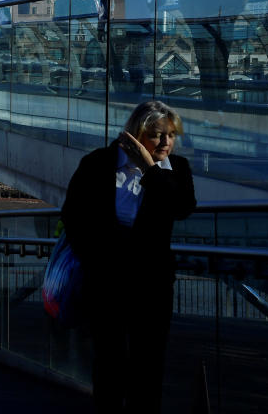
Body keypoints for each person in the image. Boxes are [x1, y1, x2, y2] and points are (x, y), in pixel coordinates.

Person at [61, 100, 196, 412]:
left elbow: (182, 208)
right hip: (106, 279)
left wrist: (150, 169)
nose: (166, 142)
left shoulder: (177, 169)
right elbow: (73, 216)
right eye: (157, 135)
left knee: (149, 361)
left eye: (171, 135)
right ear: (137, 133)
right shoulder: (97, 163)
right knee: (109, 358)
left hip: (153, 282)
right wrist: (95, 259)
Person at [178, 0, 250, 107]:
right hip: (225, 24)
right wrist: (232, 15)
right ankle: (222, 108)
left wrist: (192, 22)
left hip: (201, 26)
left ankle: (209, 109)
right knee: (221, 66)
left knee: (205, 70)